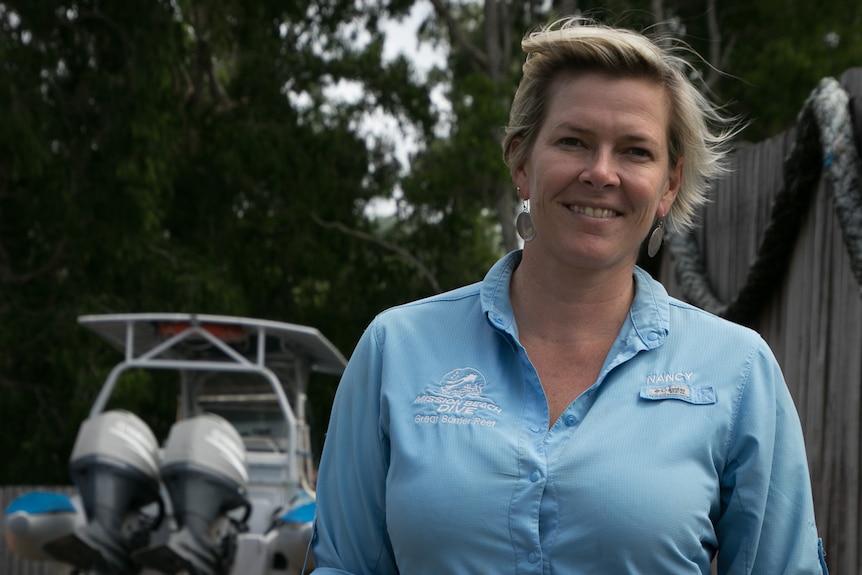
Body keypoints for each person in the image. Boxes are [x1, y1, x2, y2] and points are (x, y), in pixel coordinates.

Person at [310, 16, 828, 575]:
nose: (600, 173)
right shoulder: (396, 349)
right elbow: (341, 564)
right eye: (573, 142)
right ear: (521, 162)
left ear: (669, 185)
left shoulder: (738, 369)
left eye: (635, 151)